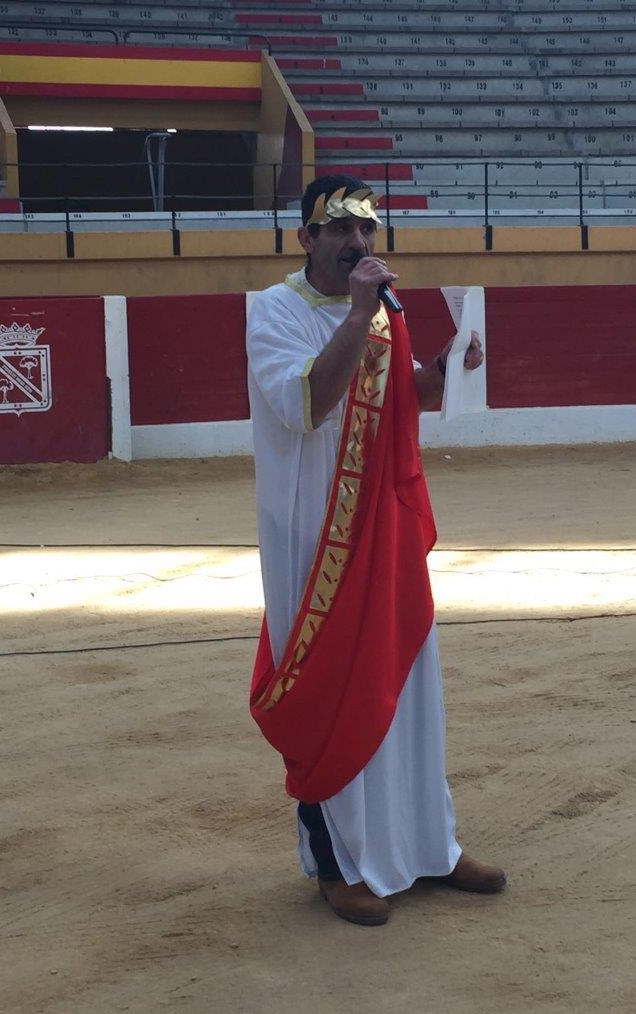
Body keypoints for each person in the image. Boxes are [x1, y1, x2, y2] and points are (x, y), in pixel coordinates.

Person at [247, 174, 506, 926]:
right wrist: (361, 312)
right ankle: (338, 865)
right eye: (339, 230)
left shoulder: (386, 314)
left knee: (411, 684)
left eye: (366, 231)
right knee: (331, 689)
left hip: (382, 528)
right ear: (307, 239)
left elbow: (399, 399)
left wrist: (448, 368)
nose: (357, 243)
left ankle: (431, 845)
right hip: (311, 540)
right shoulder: (275, 311)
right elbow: (307, 404)